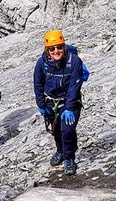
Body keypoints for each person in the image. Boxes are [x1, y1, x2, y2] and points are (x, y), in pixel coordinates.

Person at [34, 30, 84, 176]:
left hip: (70, 102)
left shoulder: (74, 61)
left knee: (67, 130)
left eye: (59, 47)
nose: (56, 51)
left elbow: (75, 86)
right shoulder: (42, 63)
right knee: (56, 130)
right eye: (52, 48)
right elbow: (38, 84)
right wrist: (41, 104)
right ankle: (60, 150)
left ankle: (69, 158)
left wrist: (69, 107)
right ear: (47, 50)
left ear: (64, 46)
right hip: (50, 102)